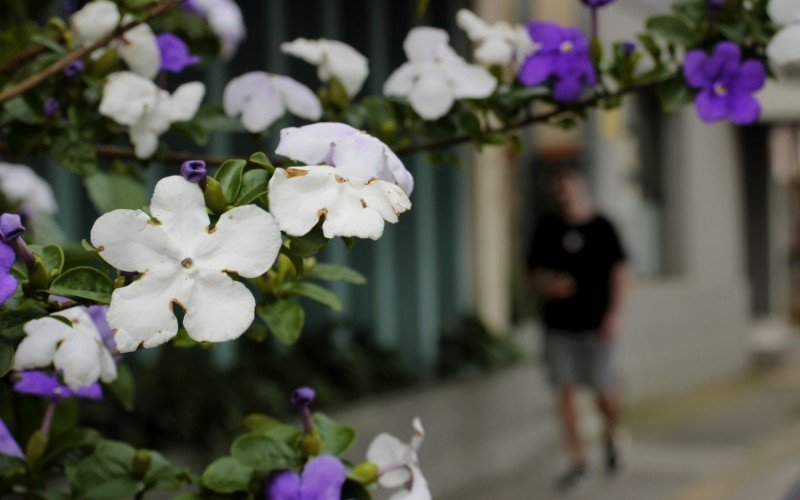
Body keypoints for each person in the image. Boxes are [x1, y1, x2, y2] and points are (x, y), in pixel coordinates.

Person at [527, 167, 630, 492]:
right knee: (565, 392)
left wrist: (615, 315)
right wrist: (548, 285)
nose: (565, 197)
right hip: (559, 325)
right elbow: (531, 270)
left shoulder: (603, 227)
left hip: (597, 324)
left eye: (570, 190)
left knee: (602, 390)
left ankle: (611, 435)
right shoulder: (547, 227)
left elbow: (620, 273)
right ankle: (578, 461)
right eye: (560, 191)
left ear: (582, 190)